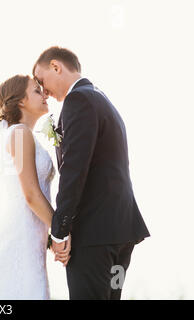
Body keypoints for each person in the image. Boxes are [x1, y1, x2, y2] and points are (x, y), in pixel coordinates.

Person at [33, 46, 150, 300]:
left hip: (94, 237)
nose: (43, 91)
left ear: (56, 66)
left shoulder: (79, 101)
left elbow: (74, 170)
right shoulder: (99, 97)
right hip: (120, 236)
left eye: (41, 81)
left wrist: (60, 232)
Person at [0, 75, 70, 299]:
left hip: (32, 234)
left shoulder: (24, 135)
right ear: (21, 101)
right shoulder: (19, 133)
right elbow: (31, 194)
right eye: (37, 91)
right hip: (20, 231)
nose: (45, 94)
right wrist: (60, 233)